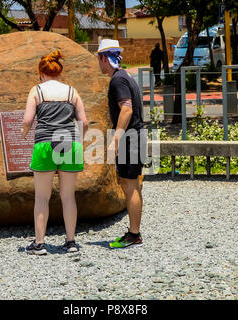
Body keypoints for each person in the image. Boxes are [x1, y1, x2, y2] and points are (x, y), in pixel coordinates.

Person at [21, 50, 88, 255]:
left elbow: (27, 120)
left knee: (42, 197)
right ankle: (71, 242)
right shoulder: (71, 92)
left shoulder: (37, 91)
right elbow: (84, 122)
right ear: (60, 73)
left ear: (42, 73)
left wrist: (24, 135)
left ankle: (40, 244)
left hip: (45, 144)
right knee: (68, 197)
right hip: (70, 144)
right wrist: (79, 141)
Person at [95, 39, 147, 248]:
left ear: (103, 58)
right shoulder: (125, 76)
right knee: (130, 184)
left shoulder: (117, 80)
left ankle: (134, 235)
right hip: (135, 136)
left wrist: (116, 138)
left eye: (97, 59)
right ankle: (133, 233)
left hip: (130, 138)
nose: (98, 64)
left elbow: (126, 108)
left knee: (130, 185)